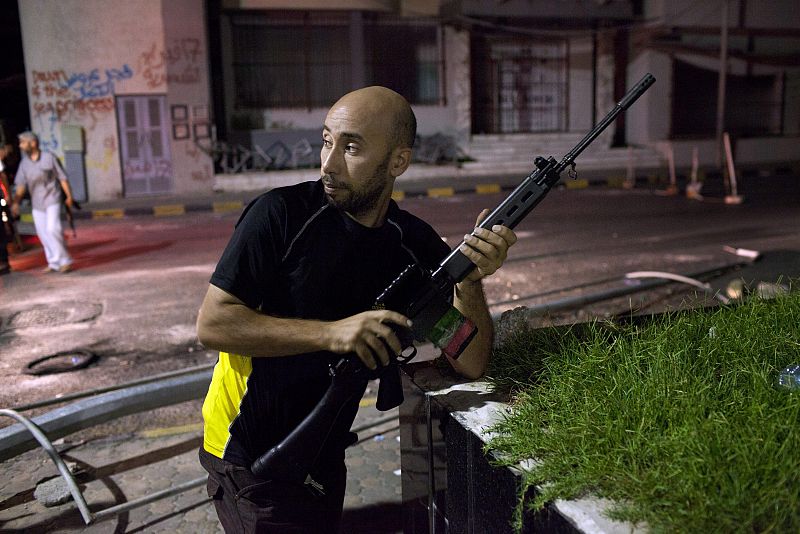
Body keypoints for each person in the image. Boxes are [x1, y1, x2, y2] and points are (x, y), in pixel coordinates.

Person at [196, 86, 517, 533]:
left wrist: (470, 277)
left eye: (351, 147)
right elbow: (213, 323)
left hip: (323, 453)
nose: (328, 162)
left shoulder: (412, 245)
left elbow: (471, 358)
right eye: (327, 140)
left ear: (397, 162)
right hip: (248, 454)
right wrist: (333, 333)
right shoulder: (280, 215)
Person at [10, 131, 74, 273]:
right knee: (43, 233)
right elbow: (21, 186)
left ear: (33, 143)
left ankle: (65, 260)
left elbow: (62, 177)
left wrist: (69, 196)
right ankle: (53, 262)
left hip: (52, 198)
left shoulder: (49, 158)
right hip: (37, 203)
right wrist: (15, 202)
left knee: (53, 228)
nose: (20, 146)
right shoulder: (24, 164)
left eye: (23, 142)